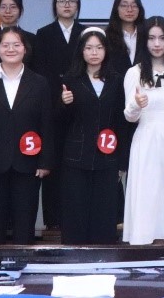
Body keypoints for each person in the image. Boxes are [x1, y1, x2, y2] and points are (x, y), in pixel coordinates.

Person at [0, 25, 53, 244]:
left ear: (25, 49)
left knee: (25, 223)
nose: (11, 49)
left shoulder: (39, 83)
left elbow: (46, 124)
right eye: (6, 45)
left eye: (16, 44)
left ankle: (23, 264)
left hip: (28, 163)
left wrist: (45, 161)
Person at [122, 17, 164, 244]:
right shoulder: (135, 72)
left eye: (161, 38)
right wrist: (136, 104)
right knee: (147, 191)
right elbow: (129, 116)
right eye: (151, 38)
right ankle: (143, 241)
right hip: (146, 139)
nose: (157, 44)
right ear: (144, 41)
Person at [59, 28, 127, 244]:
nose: (94, 53)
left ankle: (103, 256)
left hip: (107, 156)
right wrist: (65, 104)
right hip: (76, 155)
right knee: (75, 210)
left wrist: (122, 161)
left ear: (106, 50)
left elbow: (121, 121)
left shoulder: (117, 80)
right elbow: (60, 121)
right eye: (89, 48)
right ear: (81, 51)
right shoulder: (70, 79)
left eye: (99, 48)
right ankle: (74, 256)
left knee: (104, 211)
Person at [31, 0, 85, 234]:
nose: (67, 5)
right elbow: (40, 72)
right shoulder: (43, 34)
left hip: (79, 107)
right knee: (52, 164)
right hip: (52, 108)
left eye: (71, 1)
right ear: (55, 5)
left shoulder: (86, 33)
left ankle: (75, 217)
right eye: (62, 1)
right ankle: (52, 221)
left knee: (76, 164)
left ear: (78, 6)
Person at [105, 0, 145, 75]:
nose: (130, 10)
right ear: (116, 8)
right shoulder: (107, 37)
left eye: (134, 5)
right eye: (124, 5)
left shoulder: (147, 35)